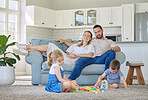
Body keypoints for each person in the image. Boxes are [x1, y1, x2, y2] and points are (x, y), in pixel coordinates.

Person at [55, 25, 121, 80]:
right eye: (95, 32)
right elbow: (75, 44)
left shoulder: (108, 41)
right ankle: (70, 79)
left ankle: (106, 77)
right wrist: (63, 41)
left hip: (101, 58)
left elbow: (118, 48)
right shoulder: (91, 39)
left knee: (111, 52)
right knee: (81, 59)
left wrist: (113, 48)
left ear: (102, 30)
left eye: (99, 31)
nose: (97, 33)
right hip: (91, 58)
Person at [13, 31, 95, 65]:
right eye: (85, 35)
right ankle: (27, 49)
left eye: (88, 36)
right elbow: (67, 52)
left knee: (51, 45)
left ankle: (27, 47)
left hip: (74, 60)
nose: (86, 37)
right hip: (67, 57)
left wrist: (76, 55)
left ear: (90, 38)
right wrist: (70, 54)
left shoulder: (90, 46)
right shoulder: (75, 45)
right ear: (82, 36)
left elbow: (90, 55)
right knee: (49, 48)